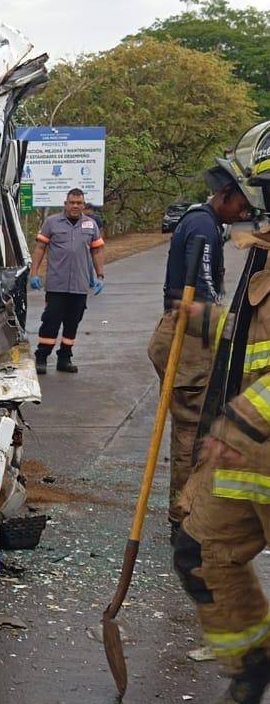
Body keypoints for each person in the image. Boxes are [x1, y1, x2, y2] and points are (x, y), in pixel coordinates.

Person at [172, 120, 270, 704]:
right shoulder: (262, 253)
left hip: (248, 440)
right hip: (249, 456)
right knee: (198, 550)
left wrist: (236, 422)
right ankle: (252, 663)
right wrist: (199, 322)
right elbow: (253, 339)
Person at [148, 178, 252, 539]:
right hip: (187, 335)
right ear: (225, 194)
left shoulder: (201, 221)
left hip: (181, 331)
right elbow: (201, 296)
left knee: (190, 429)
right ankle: (184, 518)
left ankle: (185, 512)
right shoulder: (204, 229)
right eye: (241, 205)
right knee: (191, 432)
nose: (243, 213)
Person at [29, 188, 105, 375]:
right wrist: (34, 273)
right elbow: (40, 248)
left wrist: (100, 276)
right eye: (72, 202)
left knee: (72, 323)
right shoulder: (52, 222)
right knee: (51, 321)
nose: (75, 206)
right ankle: (41, 357)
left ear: (83, 205)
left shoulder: (90, 225)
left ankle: (64, 358)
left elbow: (97, 251)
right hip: (57, 284)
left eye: (79, 203)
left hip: (80, 285)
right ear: (65, 204)